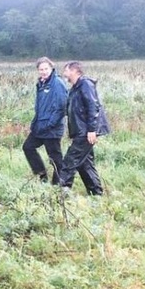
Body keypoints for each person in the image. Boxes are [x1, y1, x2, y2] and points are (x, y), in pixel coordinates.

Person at [59, 61, 109, 195]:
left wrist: (92, 130)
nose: (64, 74)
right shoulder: (74, 89)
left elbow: (93, 106)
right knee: (85, 164)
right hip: (79, 131)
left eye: (66, 71)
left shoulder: (85, 84)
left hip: (86, 131)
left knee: (70, 160)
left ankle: (62, 192)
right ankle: (96, 194)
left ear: (75, 71)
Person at [22, 57, 68, 184]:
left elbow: (62, 106)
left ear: (51, 68)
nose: (43, 71)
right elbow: (41, 107)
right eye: (41, 69)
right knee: (28, 147)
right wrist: (35, 123)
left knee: (55, 158)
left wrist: (50, 124)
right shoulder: (41, 84)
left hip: (52, 128)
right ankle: (42, 175)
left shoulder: (57, 83)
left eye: (46, 69)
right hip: (40, 126)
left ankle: (58, 185)